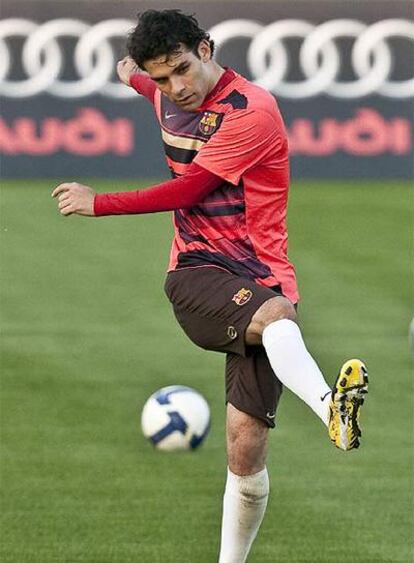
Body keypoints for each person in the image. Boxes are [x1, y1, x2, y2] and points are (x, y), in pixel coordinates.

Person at [52, 9, 369, 562]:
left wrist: (97, 201)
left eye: (181, 70)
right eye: (163, 78)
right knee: (277, 319)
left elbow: (186, 191)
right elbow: (137, 76)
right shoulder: (163, 89)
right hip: (197, 274)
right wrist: (132, 72)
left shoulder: (250, 112)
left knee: (245, 451)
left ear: (206, 48)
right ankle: (330, 409)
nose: (177, 88)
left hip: (262, 277)